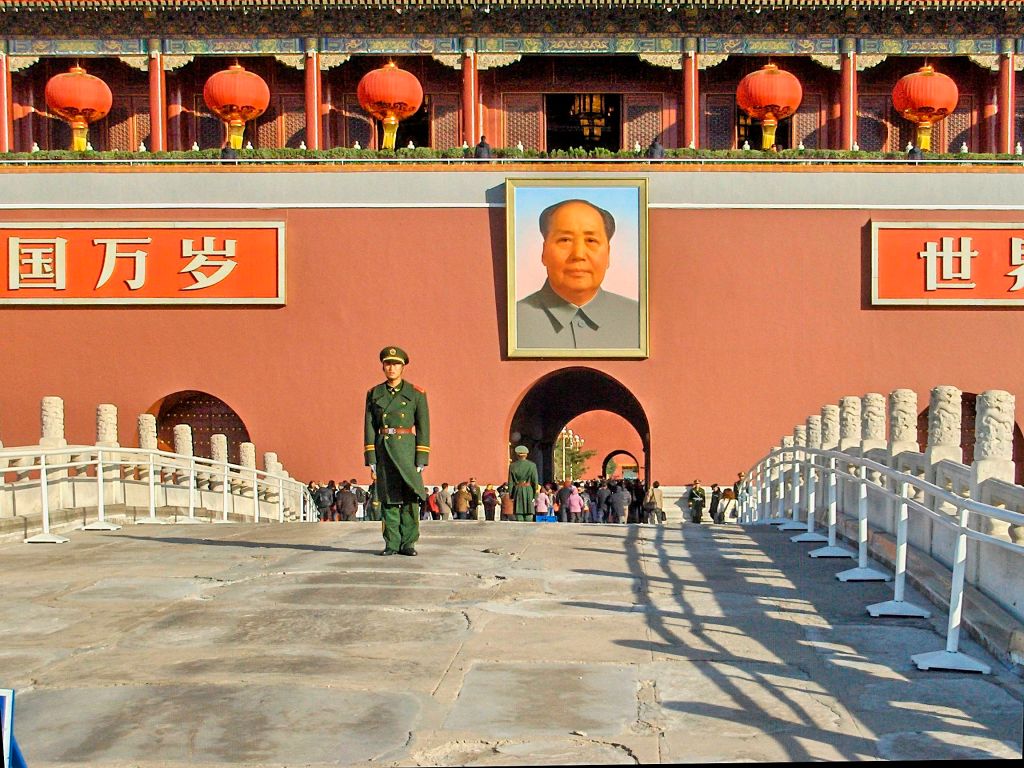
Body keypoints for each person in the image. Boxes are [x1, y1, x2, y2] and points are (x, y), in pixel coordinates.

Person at [515, 199, 640, 350]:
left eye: (591, 240)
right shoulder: (512, 321)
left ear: (608, 254)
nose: (578, 254)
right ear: (544, 252)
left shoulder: (640, 320)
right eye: (565, 240)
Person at [364, 345, 430, 556]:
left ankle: (408, 543)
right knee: (389, 499)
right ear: (383, 367)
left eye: (396, 364)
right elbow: (369, 427)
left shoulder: (416, 394)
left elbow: (423, 427)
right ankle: (392, 543)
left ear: (403, 368)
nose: (391, 368)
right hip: (384, 450)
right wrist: (371, 456)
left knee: (410, 498)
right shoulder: (374, 394)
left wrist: (421, 457)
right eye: (387, 364)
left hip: (407, 451)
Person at [507, 444, 539, 522]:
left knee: (518, 512)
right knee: (529, 512)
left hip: (517, 491)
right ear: (526, 454)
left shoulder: (512, 466)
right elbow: (535, 481)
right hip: (529, 490)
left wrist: (511, 495)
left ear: (517, 455)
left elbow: (510, 482)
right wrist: (535, 495)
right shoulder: (532, 465)